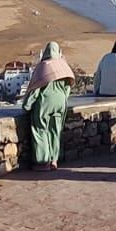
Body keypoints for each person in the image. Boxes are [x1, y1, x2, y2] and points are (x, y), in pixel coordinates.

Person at [22, 41, 76, 170]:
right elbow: (68, 87)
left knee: (40, 130)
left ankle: (43, 162)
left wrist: (27, 105)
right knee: (55, 131)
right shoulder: (63, 66)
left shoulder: (43, 66)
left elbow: (35, 90)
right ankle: (54, 160)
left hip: (45, 102)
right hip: (61, 102)